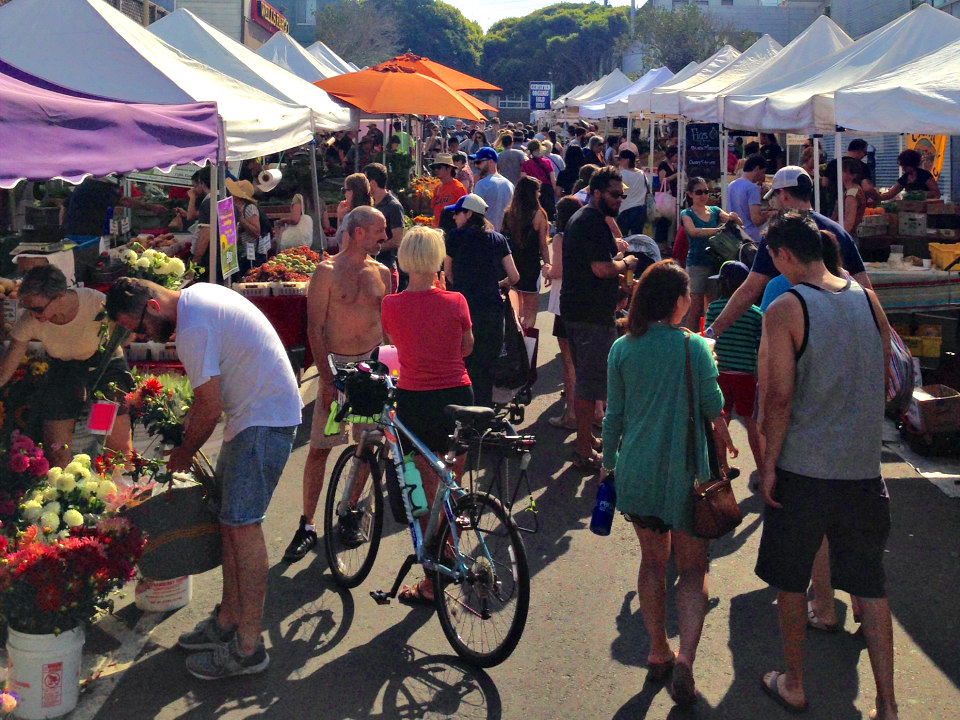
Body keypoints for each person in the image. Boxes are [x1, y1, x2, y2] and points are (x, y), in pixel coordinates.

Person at [106, 276, 301, 679]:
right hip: (255, 416)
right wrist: (182, 432)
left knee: (243, 527)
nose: (143, 335)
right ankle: (228, 620)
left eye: (139, 326)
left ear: (153, 306)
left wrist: (182, 453)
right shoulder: (196, 301)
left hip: (264, 420)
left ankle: (248, 647)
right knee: (230, 524)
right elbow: (205, 402)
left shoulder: (193, 325)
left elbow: (209, 408)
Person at [753, 211, 897, 719]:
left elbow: (779, 401)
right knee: (870, 586)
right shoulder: (867, 297)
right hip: (862, 469)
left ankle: (794, 682)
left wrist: (768, 463)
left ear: (785, 255)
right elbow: (883, 376)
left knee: (791, 582)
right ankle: (887, 703)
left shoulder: (788, 306)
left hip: (806, 469)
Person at [602, 260, 723, 708]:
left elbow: (613, 416)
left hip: (637, 470)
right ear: (677, 302)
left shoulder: (622, 348)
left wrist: (607, 465)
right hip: (687, 474)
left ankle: (657, 650)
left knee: (653, 562)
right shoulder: (694, 348)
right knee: (692, 567)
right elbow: (713, 404)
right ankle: (686, 656)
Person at [283, 206, 391, 563]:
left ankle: (349, 511)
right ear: (359, 232)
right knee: (320, 448)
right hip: (337, 371)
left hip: (370, 370)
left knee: (367, 445)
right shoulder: (326, 271)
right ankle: (308, 524)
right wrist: (327, 380)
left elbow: (387, 325)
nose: (384, 238)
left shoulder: (384, 272)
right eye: (379, 231)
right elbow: (315, 329)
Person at [381, 226, 474, 605]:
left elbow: (396, 344)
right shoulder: (456, 301)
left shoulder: (391, 305)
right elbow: (466, 347)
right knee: (452, 486)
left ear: (403, 260)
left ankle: (433, 579)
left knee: (423, 492)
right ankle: (449, 554)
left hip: (416, 398)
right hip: (458, 395)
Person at [705, 167, 871, 339]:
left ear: (783, 194)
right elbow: (864, 286)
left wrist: (713, 331)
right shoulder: (838, 231)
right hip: (841, 331)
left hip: (795, 332)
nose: (772, 203)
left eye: (774, 197)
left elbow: (751, 288)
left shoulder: (779, 234)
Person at [0, 266, 133, 468]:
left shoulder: (96, 302)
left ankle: (119, 491)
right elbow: (8, 366)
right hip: (64, 373)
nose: (33, 315)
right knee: (57, 452)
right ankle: (65, 493)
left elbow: (127, 335)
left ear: (60, 296)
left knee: (109, 443)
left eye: (38, 309)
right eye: (27, 308)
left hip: (104, 371)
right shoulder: (30, 320)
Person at [560, 166, 640, 470]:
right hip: (589, 312)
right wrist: (626, 262)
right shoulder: (591, 220)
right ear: (596, 193)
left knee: (588, 380)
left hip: (582, 309)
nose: (619, 199)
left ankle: (585, 438)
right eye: (614, 194)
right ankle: (582, 447)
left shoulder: (589, 218)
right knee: (590, 383)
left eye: (622, 195)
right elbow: (601, 268)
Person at [443, 194, 520, 407]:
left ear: (468, 213)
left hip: (463, 310)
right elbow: (515, 277)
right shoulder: (498, 239)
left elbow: (448, 273)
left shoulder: (454, 237)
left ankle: (463, 415)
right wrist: (499, 283)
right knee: (487, 369)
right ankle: (483, 417)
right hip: (492, 312)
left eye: (457, 213)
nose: (455, 217)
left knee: (464, 365)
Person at [704, 261, 763, 474]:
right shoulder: (756, 312)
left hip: (720, 372)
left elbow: (710, 338)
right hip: (746, 375)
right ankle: (764, 469)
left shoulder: (713, 308)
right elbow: (760, 345)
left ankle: (722, 467)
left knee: (722, 418)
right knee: (752, 422)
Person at [679, 177, 741, 331]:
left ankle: (706, 340)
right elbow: (693, 231)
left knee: (711, 307)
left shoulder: (715, 211)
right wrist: (717, 230)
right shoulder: (686, 213)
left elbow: (737, 224)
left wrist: (735, 218)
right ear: (690, 194)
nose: (703, 195)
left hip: (715, 263)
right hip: (696, 264)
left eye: (706, 191)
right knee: (695, 309)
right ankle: (689, 340)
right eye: (699, 192)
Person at [543, 196, 582, 429]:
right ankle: (594, 411)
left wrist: (546, 270)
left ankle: (571, 414)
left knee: (569, 362)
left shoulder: (561, 237)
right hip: (586, 300)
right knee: (584, 361)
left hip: (564, 301)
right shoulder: (585, 233)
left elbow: (558, 270)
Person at [503, 176, 550, 330]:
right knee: (531, 312)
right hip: (531, 266)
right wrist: (547, 265)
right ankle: (527, 345)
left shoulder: (509, 213)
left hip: (511, 265)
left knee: (515, 309)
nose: (539, 194)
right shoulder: (538, 215)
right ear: (532, 193)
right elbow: (543, 245)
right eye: (538, 191)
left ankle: (516, 340)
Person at [61, 176, 166, 237]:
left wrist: (61, 228)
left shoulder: (83, 185)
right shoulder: (99, 187)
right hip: (87, 234)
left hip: (71, 232)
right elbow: (125, 201)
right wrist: (151, 207)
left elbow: (63, 206)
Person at [364, 163, 404, 292]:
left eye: (365, 181)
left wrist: (374, 248)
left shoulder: (393, 206)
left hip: (386, 269)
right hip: (369, 269)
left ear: (373, 183)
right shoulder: (369, 203)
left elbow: (397, 240)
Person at [822, 139, 874, 218]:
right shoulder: (862, 166)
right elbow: (866, 187)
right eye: (865, 153)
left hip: (832, 202)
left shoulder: (833, 163)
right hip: (853, 203)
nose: (865, 155)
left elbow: (824, 183)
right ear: (860, 151)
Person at [727, 154, 769, 243]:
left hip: (735, 235)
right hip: (751, 238)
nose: (763, 176)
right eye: (763, 172)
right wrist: (771, 214)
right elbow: (756, 220)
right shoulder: (753, 188)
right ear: (757, 169)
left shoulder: (731, 185)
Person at [225, 179, 263, 277]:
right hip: (239, 254)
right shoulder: (235, 207)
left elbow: (256, 232)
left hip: (249, 256)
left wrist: (241, 219)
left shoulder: (249, 208)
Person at [471, 147, 514, 232]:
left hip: (486, 234)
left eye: (479, 162)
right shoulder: (509, 184)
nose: (476, 166)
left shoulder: (481, 184)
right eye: (475, 163)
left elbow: (475, 214)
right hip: (504, 236)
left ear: (491, 162)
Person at [521, 139, 559, 221]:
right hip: (547, 191)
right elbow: (553, 179)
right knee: (548, 216)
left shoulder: (525, 164)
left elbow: (523, 179)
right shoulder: (547, 162)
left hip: (532, 191)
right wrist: (555, 192)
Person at [616, 149, 649, 236]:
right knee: (637, 239)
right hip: (640, 210)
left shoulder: (622, 174)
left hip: (625, 210)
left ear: (627, 160)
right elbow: (647, 191)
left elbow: (618, 192)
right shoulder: (642, 173)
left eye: (620, 159)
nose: (619, 161)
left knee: (622, 237)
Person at [429, 153, 466, 229]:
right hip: (437, 230)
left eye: (439, 167)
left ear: (449, 168)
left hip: (451, 231)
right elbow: (434, 210)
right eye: (434, 168)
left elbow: (464, 213)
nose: (436, 170)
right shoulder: (437, 188)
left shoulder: (458, 188)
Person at [654, 147, 679, 250]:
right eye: (675, 156)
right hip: (665, 196)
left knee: (668, 221)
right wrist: (676, 175)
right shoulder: (663, 165)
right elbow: (662, 180)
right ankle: (660, 244)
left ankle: (665, 244)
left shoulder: (673, 165)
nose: (677, 158)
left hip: (672, 196)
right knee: (663, 220)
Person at [834, 157, 867, 235]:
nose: (839, 173)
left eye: (843, 171)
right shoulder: (854, 190)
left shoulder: (851, 194)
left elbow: (848, 224)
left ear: (853, 175)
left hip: (847, 237)